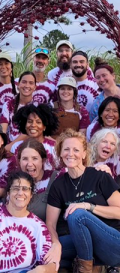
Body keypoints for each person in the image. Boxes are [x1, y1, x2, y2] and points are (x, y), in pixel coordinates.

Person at [46, 129, 120, 272]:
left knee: (77, 214)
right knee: (46, 251)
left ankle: (85, 270)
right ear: (60, 153)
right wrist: (55, 244)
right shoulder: (58, 185)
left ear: (84, 154)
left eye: (76, 149)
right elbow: (50, 223)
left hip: (113, 242)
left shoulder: (100, 176)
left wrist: (88, 206)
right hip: (84, 243)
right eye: (66, 149)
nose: (71, 153)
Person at [17, 138, 59, 222]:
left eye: (34, 158)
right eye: (25, 159)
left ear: (43, 161)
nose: (29, 164)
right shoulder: (15, 182)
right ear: (19, 162)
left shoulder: (55, 177)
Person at [11, 104, 59, 175]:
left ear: (44, 127)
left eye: (38, 122)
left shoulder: (54, 147)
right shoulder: (16, 146)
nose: (33, 125)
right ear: (24, 125)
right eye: (30, 121)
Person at [0, 71, 36, 143]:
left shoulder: (37, 106)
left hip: (31, 147)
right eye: (24, 82)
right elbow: (3, 130)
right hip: (10, 149)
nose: (27, 85)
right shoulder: (8, 105)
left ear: (35, 87)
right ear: (18, 85)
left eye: (31, 83)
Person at [89, 58, 120, 122]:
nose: (101, 79)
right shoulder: (96, 105)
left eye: (104, 75)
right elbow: (93, 127)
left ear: (113, 76)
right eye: (98, 77)